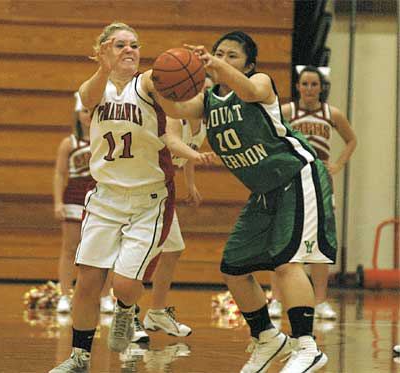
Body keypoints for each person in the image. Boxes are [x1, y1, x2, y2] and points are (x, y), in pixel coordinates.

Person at [154, 31, 337, 372]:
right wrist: (157, 79)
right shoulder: (207, 101)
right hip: (264, 192)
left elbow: (251, 90)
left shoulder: (261, 83)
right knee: (234, 268)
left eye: (232, 55)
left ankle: (306, 346)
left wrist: (218, 66)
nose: (221, 58)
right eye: (218, 52)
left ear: (249, 64)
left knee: (287, 263)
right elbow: (175, 106)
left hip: (296, 177)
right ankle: (268, 338)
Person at [49, 22, 214, 373]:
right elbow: (90, 95)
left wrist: (200, 74)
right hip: (106, 197)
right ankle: (79, 358)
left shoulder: (151, 82)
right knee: (87, 283)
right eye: (120, 44)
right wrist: (102, 66)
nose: (129, 50)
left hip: (148, 199)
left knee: (124, 284)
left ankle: (126, 309)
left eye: (135, 45)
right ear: (102, 50)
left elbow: (186, 107)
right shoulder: (94, 89)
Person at [268, 66, 357, 320]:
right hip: (291, 182)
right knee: (280, 240)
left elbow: (351, 140)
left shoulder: (333, 114)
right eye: (304, 84)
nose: (309, 89)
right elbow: (269, 137)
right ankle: (275, 299)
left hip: (321, 184)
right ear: (297, 86)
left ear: (321, 88)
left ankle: (320, 301)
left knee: (322, 242)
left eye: (314, 85)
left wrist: (338, 164)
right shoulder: (287, 112)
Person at [132, 116, 206, 343]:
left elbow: (187, 152)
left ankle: (155, 312)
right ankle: (128, 315)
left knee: (173, 249)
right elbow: (174, 145)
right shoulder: (175, 119)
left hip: (166, 186)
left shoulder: (202, 124)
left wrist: (190, 184)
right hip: (148, 185)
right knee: (143, 253)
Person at [53, 92, 115, 314]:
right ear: (78, 114)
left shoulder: (109, 139)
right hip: (75, 197)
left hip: (102, 197)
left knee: (107, 249)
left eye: (92, 111)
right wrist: (58, 202)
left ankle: (107, 295)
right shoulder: (68, 143)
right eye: (85, 111)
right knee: (70, 248)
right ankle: (64, 295)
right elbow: (60, 174)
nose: (89, 116)